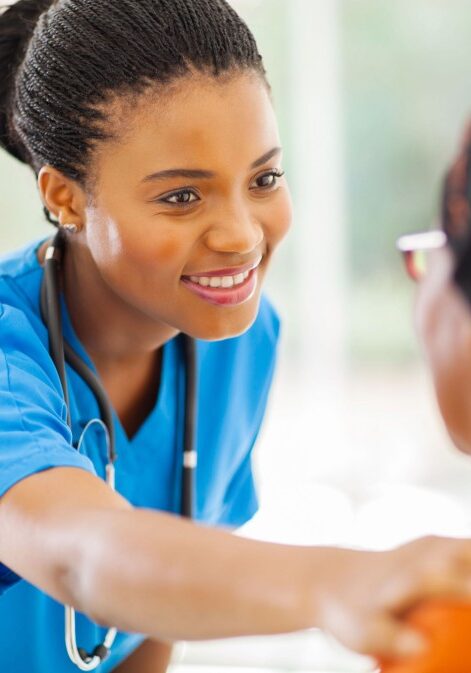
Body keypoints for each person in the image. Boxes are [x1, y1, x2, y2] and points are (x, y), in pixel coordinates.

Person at [2, 2, 471, 672]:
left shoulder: (236, 344)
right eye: (181, 197)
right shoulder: (7, 361)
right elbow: (83, 556)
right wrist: (331, 579)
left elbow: (159, 603)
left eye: (263, 179)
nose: (242, 235)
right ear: (66, 198)